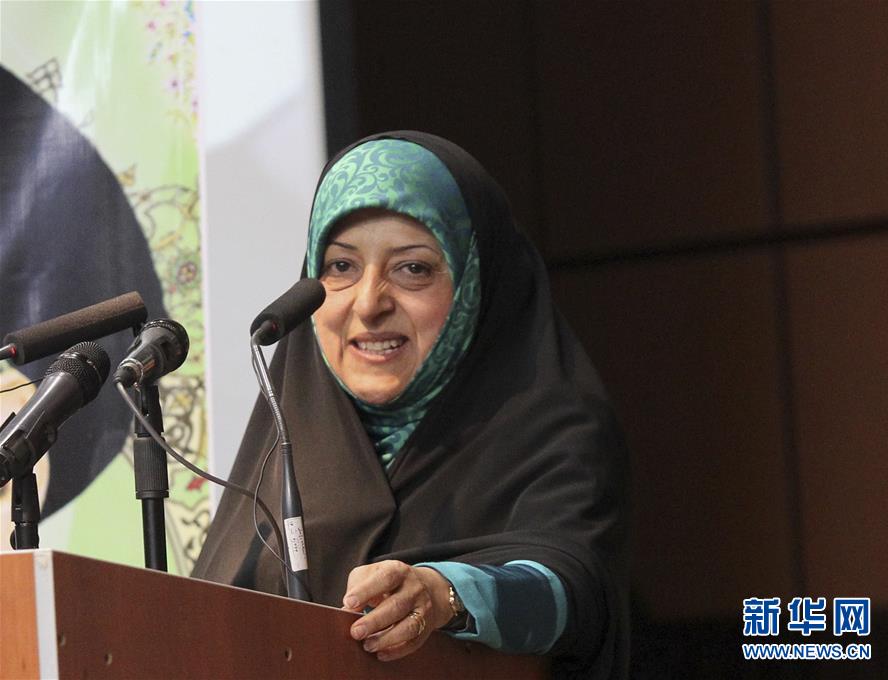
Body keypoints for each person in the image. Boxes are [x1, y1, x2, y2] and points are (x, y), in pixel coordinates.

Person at [192, 131, 629, 678]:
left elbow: (573, 591)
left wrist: (448, 593)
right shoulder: (289, 436)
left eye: (413, 268)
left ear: (474, 283)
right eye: (341, 267)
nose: (369, 303)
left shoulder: (553, 431)